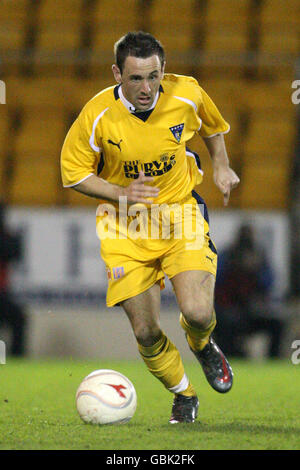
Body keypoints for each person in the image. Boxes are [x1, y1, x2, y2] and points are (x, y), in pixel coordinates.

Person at [60, 32, 240, 423]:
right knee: (144, 331)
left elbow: (212, 125)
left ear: (164, 69)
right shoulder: (96, 116)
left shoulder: (185, 93)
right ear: (116, 73)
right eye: (135, 78)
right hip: (125, 228)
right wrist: (120, 191)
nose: (146, 89)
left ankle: (202, 342)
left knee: (196, 311)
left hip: (179, 214)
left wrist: (222, 165)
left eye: (154, 77)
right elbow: (72, 174)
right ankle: (184, 394)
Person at [214, 224, 284, 358]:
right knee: (225, 324)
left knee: (277, 325)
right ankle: (231, 359)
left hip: (251, 311)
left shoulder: (259, 257)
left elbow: (270, 282)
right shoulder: (226, 256)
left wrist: (257, 269)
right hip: (228, 310)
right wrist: (234, 264)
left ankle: (274, 360)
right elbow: (215, 280)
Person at [0, 203, 27, 356]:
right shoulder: (7, 238)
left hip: (2, 295)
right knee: (18, 318)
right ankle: (16, 359)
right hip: (2, 295)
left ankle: (16, 357)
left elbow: (14, 253)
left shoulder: (7, 238)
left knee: (18, 318)